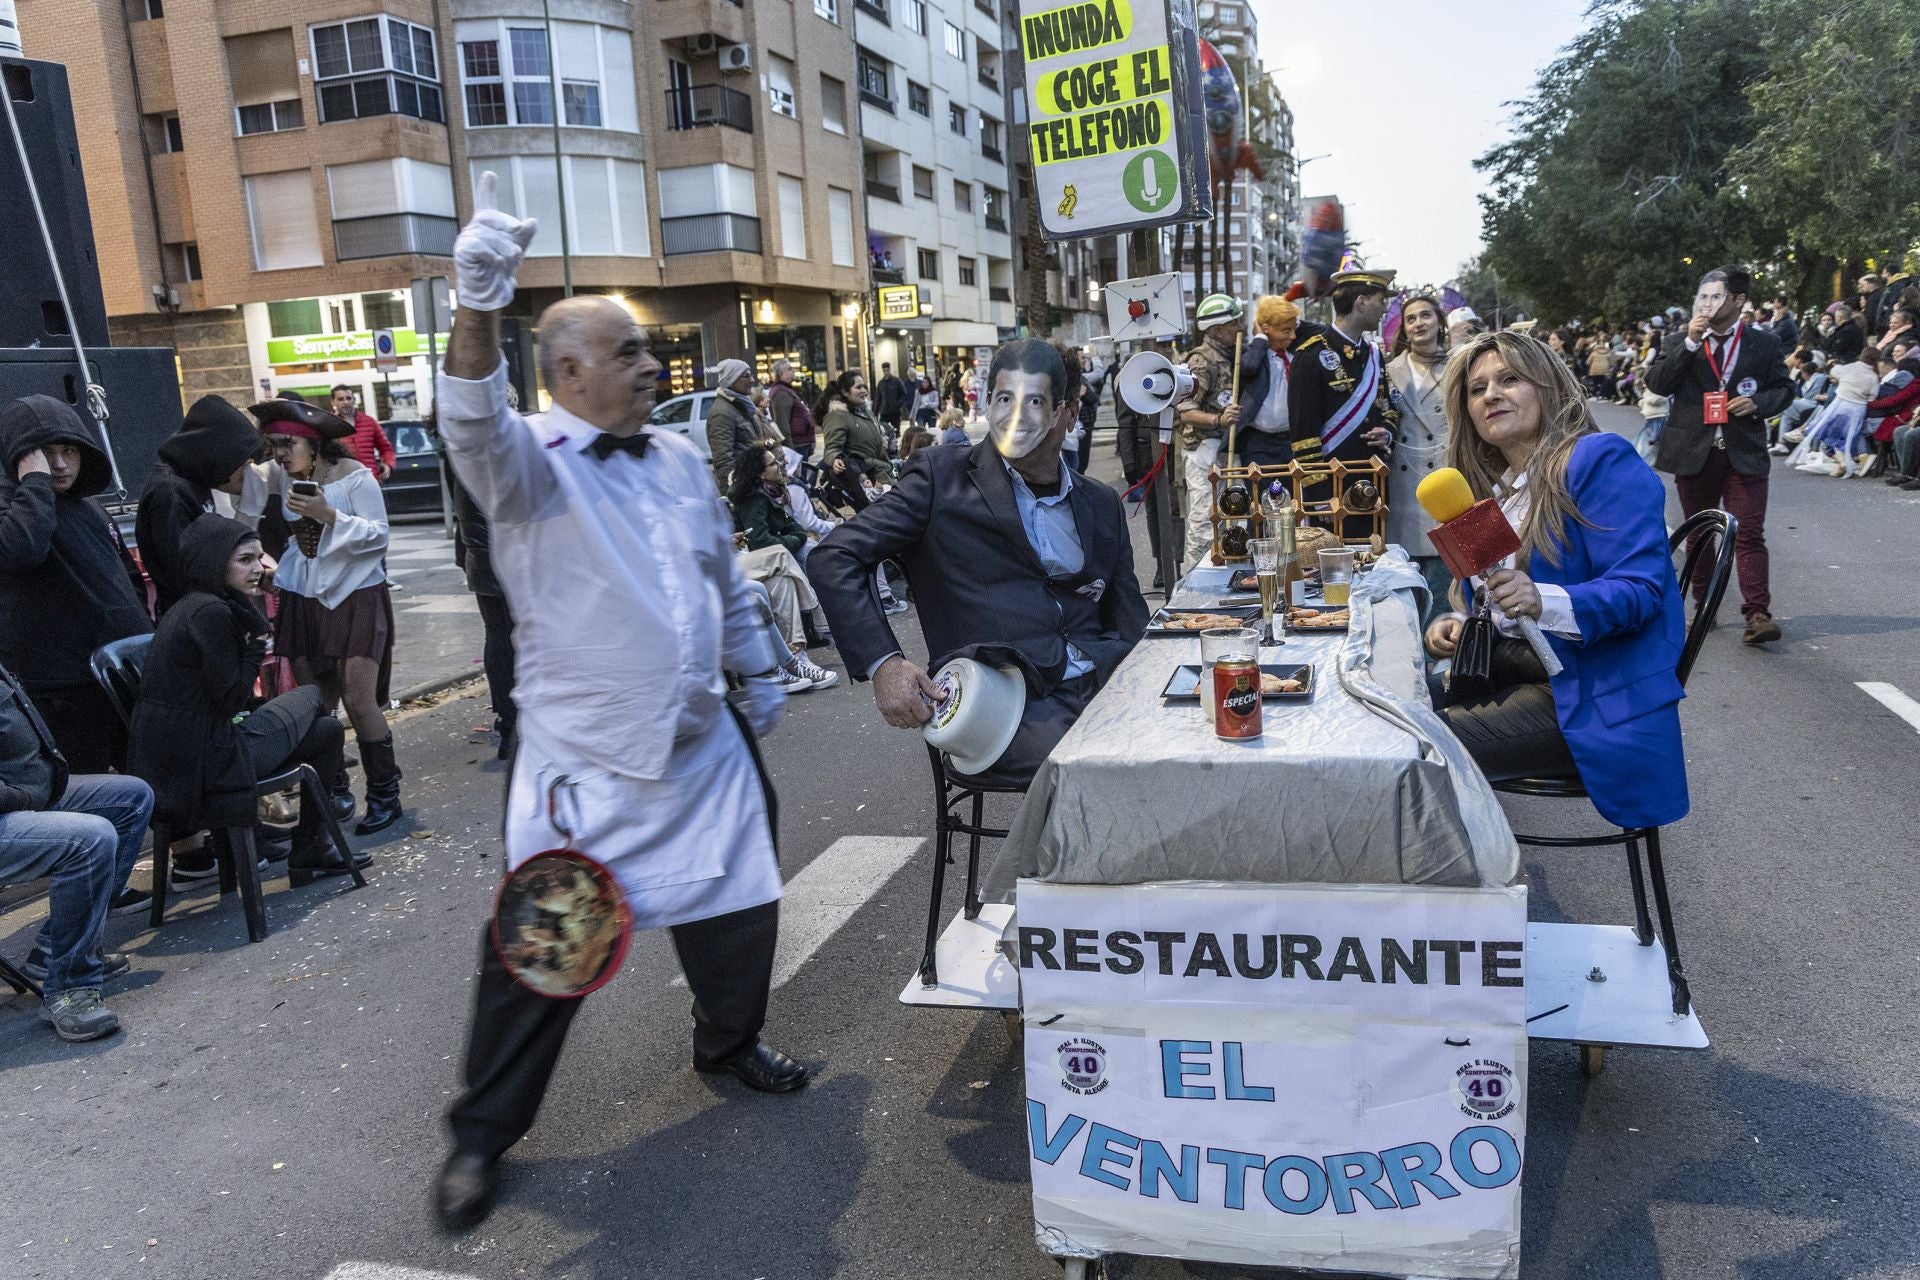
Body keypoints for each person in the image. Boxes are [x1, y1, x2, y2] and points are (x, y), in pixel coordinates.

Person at [433, 175, 805, 1233]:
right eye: (631, 353)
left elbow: (720, 573)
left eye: (649, 350)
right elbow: (467, 416)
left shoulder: (682, 454)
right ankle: (478, 1133)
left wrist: (760, 663)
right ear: (566, 373)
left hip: (700, 746)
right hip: (585, 764)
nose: (653, 366)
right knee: (544, 950)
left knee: (741, 900)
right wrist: (478, 299)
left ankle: (728, 1042)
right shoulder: (526, 466)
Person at [809, 339, 1150, 789]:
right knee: (1103, 770)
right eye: (1004, 398)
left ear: (1065, 413)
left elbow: (1127, 613)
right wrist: (885, 664)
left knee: (1185, 743)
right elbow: (835, 556)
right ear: (988, 403)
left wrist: (1155, 676)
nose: (1016, 415)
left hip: (1102, 682)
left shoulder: (1100, 502)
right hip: (1002, 702)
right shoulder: (939, 478)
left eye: (1034, 401)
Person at [1424, 331, 1688, 836]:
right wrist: (1459, 622)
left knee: (1408, 747)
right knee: (1388, 709)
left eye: (1509, 379)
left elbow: (1642, 591)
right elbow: (1495, 596)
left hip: (1592, 697)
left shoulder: (1599, 458)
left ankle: (1453, 900)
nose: (1490, 395)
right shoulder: (1500, 490)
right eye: (1476, 389)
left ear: (1548, 387)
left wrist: (1538, 599)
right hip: (1513, 674)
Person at [129, 517, 367, 884]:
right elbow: (231, 700)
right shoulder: (210, 612)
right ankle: (313, 838)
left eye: (259, 558)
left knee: (326, 731)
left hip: (192, 753)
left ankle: (312, 846)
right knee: (311, 696)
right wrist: (257, 643)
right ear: (213, 561)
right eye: (244, 560)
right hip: (208, 763)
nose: (258, 568)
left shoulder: (199, 604)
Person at [251, 398, 404, 831]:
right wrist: (274, 574)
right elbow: (298, 542)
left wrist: (329, 515)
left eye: (286, 444)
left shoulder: (355, 478)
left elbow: (379, 537)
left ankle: (384, 794)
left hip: (357, 594)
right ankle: (334, 793)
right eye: (272, 445)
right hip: (305, 597)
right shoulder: (284, 477)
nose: (279, 454)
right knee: (318, 703)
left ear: (314, 443)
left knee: (359, 698)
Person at [0, 659, 153, 1041]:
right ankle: (69, 987)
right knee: (89, 839)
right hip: (13, 800)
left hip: (25, 792)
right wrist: (21, 796)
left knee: (131, 798)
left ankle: (54, 953)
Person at [0, 395, 152, 773]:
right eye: (45, 453)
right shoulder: (13, 505)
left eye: (69, 449)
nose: (60, 464)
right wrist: (33, 481)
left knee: (154, 788)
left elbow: (125, 577)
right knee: (90, 794)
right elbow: (22, 550)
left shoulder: (88, 505)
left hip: (120, 674)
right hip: (61, 689)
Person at [1643, 265, 1793, 646]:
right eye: (1702, 297)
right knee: (1700, 535)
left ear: (1738, 301)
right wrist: (1690, 345)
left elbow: (1783, 390)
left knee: (1749, 533)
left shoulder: (1764, 344)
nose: (1706, 304)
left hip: (1743, 452)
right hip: (1694, 451)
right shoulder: (1681, 339)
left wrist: (1757, 403)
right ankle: (1703, 607)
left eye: (1715, 296)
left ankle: (1757, 614)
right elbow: (1657, 383)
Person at [137, 395, 262, 617]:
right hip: (193, 616)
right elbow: (185, 570)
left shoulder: (194, 481)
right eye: (241, 464)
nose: (245, 474)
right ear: (220, 456)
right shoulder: (170, 494)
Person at [729, 446, 839, 692]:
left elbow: (796, 529)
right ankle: (818, 611)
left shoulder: (775, 492)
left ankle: (797, 656)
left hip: (758, 564)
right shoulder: (753, 498)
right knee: (783, 554)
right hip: (743, 560)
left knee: (784, 581)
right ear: (760, 473)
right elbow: (760, 541)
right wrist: (793, 540)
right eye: (773, 464)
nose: (780, 466)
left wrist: (794, 538)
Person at [1384, 294, 1454, 611]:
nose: (1418, 323)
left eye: (1426, 315)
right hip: (1403, 487)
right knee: (1406, 584)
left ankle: (1443, 656)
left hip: (1447, 481)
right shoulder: (1388, 370)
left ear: (1439, 322)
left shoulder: (1460, 365)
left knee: (1447, 580)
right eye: (1411, 318)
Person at [1289, 268, 1399, 466]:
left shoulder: (1373, 353)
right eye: (1381, 300)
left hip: (1375, 475)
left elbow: (1388, 407)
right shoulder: (1309, 355)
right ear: (1362, 303)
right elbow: (1303, 432)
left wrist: (1388, 433)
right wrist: (1318, 487)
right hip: (1333, 483)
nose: (1384, 309)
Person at [446, 458, 515, 758]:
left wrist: (466, 560)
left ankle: (507, 720)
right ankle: (513, 723)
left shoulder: (464, 455)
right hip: (506, 563)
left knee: (498, 638)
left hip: (482, 562)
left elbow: (464, 515)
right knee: (511, 642)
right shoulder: (497, 454)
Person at [1173, 293, 1246, 569]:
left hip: (1227, 450)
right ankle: (1197, 581)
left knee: (1237, 518)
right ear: (1216, 330)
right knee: (1205, 524)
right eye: (1232, 324)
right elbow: (1186, 411)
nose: (1238, 328)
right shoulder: (1201, 361)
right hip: (1203, 453)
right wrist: (1219, 419)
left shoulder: (1232, 356)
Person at [1236, 295, 1312, 470]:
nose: (1292, 336)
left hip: (1291, 441)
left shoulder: (1295, 353)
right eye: (1286, 330)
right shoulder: (1255, 354)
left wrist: (1295, 322)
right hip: (1259, 444)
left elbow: (1322, 332)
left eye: (1294, 329)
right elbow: (1248, 367)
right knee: (1265, 494)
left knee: (1291, 495)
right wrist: (1260, 337)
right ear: (1266, 329)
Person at [818, 370, 890, 509]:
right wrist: (835, 459)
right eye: (858, 387)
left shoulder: (864, 411)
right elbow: (832, 447)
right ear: (845, 392)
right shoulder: (837, 415)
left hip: (882, 470)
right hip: (868, 479)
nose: (864, 391)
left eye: (864, 386)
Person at [705, 359, 765, 491]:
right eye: (746, 376)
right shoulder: (721, 413)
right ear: (731, 380)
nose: (752, 380)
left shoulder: (743, 406)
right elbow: (723, 460)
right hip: (744, 488)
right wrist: (735, 493)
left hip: (754, 481)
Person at [330, 386, 395, 483]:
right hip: (344, 481)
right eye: (340, 399)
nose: (346, 402)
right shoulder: (329, 425)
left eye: (349, 398)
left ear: (354, 400)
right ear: (333, 402)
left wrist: (387, 464)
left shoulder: (369, 422)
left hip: (370, 479)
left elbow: (386, 448)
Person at [768, 359, 817, 459]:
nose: (793, 371)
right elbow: (782, 422)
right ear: (781, 374)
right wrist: (789, 449)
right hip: (797, 444)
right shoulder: (781, 393)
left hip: (801, 442)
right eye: (790, 369)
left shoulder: (786, 390)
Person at [874, 362, 910, 435]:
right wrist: (875, 413)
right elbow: (878, 399)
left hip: (895, 412)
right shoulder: (881, 383)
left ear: (890, 370)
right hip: (884, 412)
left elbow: (903, 394)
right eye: (884, 371)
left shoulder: (896, 381)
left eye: (887, 370)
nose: (886, 372)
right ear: (883, 371)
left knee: (896, 431)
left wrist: (897, 404)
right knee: (883, 431)